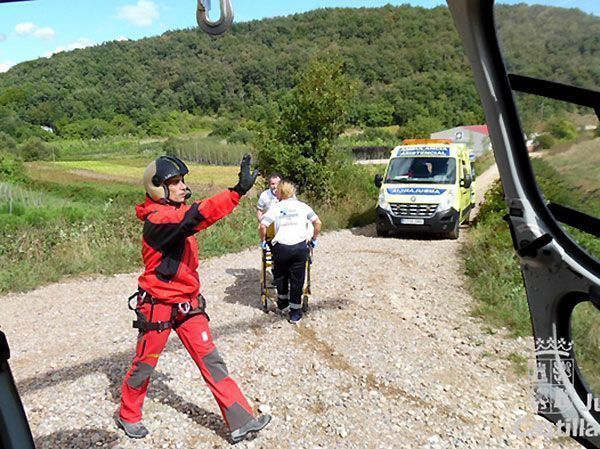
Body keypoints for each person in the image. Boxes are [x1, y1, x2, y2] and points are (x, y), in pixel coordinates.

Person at [116, 155, 271, 443]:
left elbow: (193, 216)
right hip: (158, 304)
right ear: (157, 187)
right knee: (145, 364)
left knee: (211, 360)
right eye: (174, 182)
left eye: (182, 181)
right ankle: (127, 414)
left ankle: (241, 419)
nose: (181, 187)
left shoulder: (176, 214)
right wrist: (236, 192)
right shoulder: (158, 220)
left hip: (188, 303)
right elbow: (195, 217)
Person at [258, 180, 322, 324]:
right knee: (297, 280)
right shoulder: (303, 206)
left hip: (282, 248)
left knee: (280, 275)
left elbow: (263, 226)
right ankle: (295, 313)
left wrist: (263, 241)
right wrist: (313, 239)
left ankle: (282, 302)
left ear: (280, 193)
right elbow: (317, 223)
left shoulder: (276, 207)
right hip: (300, 247)